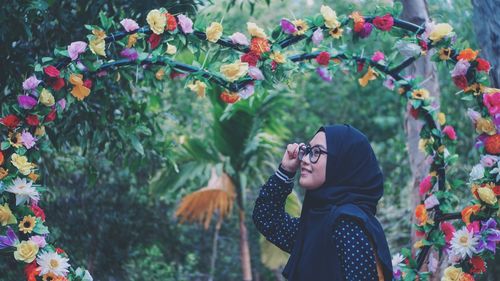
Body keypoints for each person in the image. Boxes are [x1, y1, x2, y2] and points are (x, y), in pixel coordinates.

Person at [252, 124, 393, 281]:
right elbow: (267, 219)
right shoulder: (320, 222)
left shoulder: (347, 223)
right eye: (308, 151)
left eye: (316, 152)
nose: (304, 159)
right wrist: (285, 170)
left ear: (342, 162)